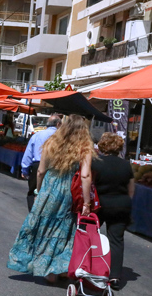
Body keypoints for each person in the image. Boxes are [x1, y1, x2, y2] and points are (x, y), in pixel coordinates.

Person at [8, 115, 94, 283]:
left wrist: (39, 191)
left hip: (48, 188)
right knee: (62, 229)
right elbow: (85, 175)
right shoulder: (84, 147)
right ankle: (57, 269)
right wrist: (86, 202)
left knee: (42, 226)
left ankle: (42, 266)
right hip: (68, 191)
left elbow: (40, 171)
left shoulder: (51, 143)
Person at [92, 132, 136, 289]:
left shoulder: (96, 163)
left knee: (90, 235)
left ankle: (91, 268)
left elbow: (89, 184)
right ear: (119, 147)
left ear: (102, 145)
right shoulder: (126, 165)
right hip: (121, 205)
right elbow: (131, 189)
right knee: (116, 240)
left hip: (100, 204)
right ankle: (115, 277)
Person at [22, 113, 62, 211]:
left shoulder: (37, 135)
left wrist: (25, 170)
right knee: (51, 193)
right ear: (58, 124)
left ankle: (33, 213)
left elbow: (28, 154)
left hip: (37, 166)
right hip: (55, 167)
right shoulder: (61, 137)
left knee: (33, 191)